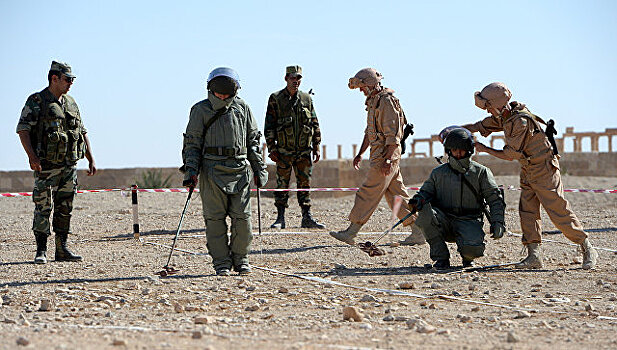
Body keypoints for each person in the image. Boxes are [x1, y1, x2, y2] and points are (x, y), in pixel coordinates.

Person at [462, 82, 598, 270]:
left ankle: (586, 246)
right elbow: (480, 126)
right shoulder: (506, 116)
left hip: (543, 168)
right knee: (528, 210)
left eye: (488, 107)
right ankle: (533, 256)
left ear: (498, 105)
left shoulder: (520, 122)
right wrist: (457, 130)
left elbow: (510, 155)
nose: (487, 111)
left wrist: (483, 149)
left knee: (557, 209)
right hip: (528, 168)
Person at [182, 67, 268, 276]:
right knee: (214, 219)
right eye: (218, 93)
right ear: (210, 90)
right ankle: (221, 263)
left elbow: (253, 141)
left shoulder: (243, 108)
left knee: (243, 219)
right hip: (211, 171)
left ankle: (241, 259)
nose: (222, 97)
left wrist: (259, 168)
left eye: (226, 94)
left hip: (239, 169)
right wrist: (191, 171)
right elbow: (192, 143)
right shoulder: (200, 110)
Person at [16, 61, 96, 264]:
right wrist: (31, 156)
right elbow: (23, 129)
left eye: (72, 79)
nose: (71, 83)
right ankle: (41, 250)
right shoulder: (37, 101)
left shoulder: (71, 103)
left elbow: (81, 131)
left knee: (65, 208)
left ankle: (62, 250)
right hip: (46, 166)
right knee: (43, 207)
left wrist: (90, 157)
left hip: (69, 166)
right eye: (67, 79)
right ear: (54, 78)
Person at [330, 68, 421, 244]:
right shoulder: (374, 102)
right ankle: (418, 231)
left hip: (385, 156)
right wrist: (360, 153)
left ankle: (351, 231)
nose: (360, 91)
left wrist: (387, 160)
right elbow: (370, 131)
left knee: (368, 191)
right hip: (381, 155)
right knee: (396, 194)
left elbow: (393, 135)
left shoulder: (386, 102)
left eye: (362, 87)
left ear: (369, 84)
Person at [409, 128, 506, 269]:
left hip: (469, 221)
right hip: (443, 220)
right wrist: (418, 200)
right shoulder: (438, 173)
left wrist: (498, 222)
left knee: (473, 250)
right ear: (449, 151)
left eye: (462, 149)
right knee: (425, 211)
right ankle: (441, 258)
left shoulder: (481, 172)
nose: (458, 153)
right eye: (454, 150)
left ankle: (468, 257)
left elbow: (495, 199)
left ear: (469, 150)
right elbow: (425, 192)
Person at [264, 65, 324, 229]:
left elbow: (314, 123)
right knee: (282, 184)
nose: (295, 81)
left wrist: (317, 146)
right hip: (284, 152)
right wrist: (272, 148)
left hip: (304, 152)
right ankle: (280, 218)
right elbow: (269, 126)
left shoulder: (306, 99)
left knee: (304, 184)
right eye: (292, 78)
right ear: (286, 79)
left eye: (298, 78)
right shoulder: (276, 98)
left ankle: (306, 217)